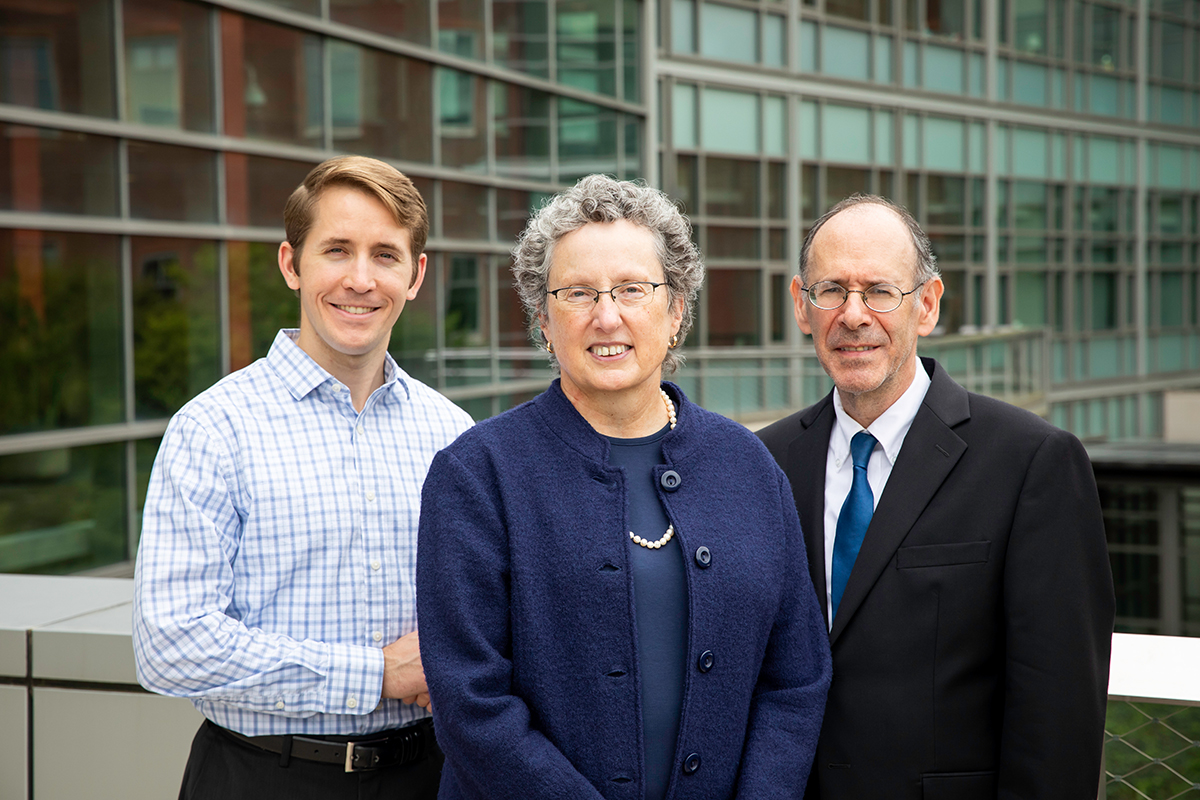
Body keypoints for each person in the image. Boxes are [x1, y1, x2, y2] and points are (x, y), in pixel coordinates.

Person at [416, 174, 831, 800]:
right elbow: (470, 702)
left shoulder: (748, 466)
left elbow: (795, 681)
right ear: (543, 322)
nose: (606, 316)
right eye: (577, 293)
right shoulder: (477, 474)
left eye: (633, 290)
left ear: (676, 311)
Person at [133, 156, 473, 800]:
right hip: (260, 777)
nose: (360, 279)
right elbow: (170, 645)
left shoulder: (453, 434)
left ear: (416, 274)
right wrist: (373, 674)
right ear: (292, 264)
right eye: (337, 250)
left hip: (431, 777)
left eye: (386, 255)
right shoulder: (213, 429)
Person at [756, 194, 1114, 799]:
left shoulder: (1030, 463)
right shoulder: (766, 462)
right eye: (831, 290)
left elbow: (1059, 709)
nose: (853, 314)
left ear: (926, 305)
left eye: (879, 291)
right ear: (801, 305)